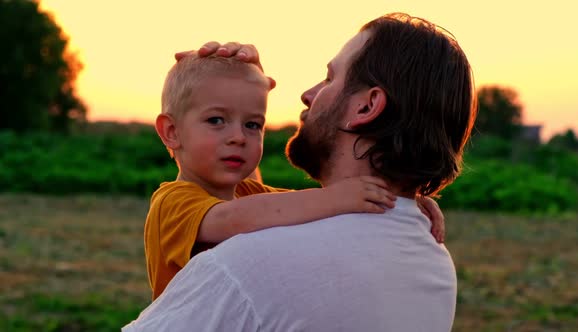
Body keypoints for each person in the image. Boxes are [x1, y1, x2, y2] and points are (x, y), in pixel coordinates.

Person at [125, 12, 475, 331]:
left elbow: (261, 212)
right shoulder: (433, 262)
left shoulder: (244, 269)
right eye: (216, 120)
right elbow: (253, 212)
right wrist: (406, 201)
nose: (307, 95)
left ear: (367, 106)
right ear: (170, 131)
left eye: (329, 78)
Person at [145, 53, 445, 300]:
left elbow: (301, 209)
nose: (238, 137)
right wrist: (336, 196)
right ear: (171, 132)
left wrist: (401, 197)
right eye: (216, 120)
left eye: (253, 125)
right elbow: (230, 220)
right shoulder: (172, 202)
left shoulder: (250, 195)